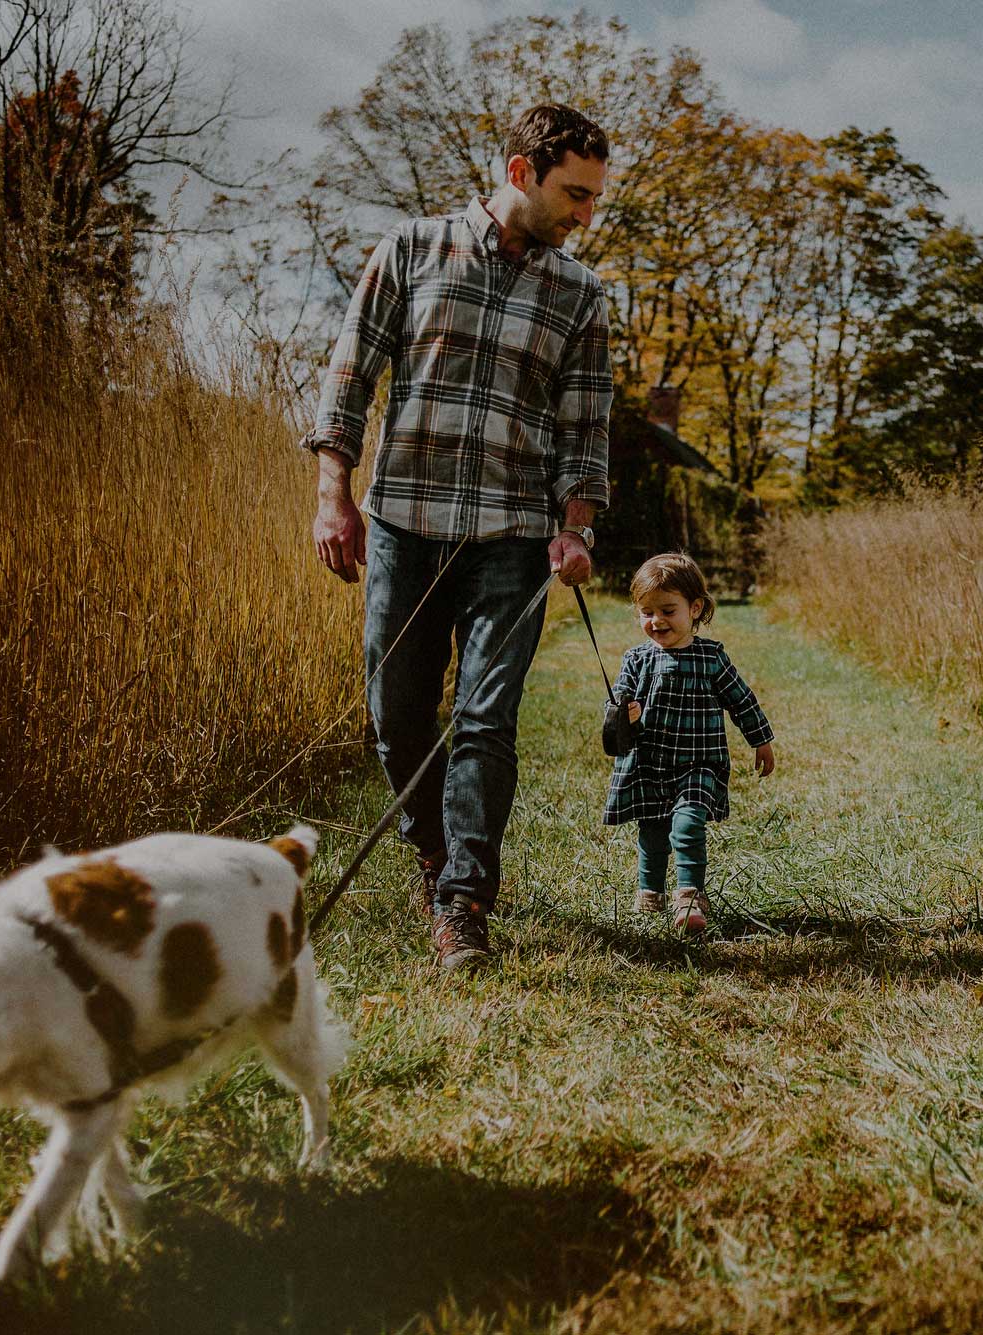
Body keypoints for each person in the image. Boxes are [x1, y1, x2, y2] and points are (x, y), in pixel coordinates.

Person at [302, 104, 614, 970]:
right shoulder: (410, 249)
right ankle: (435, 852)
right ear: (521, 171)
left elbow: (585, 428)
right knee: (396, 712)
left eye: (593, 197)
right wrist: (335, 495)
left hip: (512, 538)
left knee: (484, 718)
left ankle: (465, 901)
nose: (587, 214)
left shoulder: (582, 295)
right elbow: (349, 373)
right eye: (574, 194)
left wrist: (575, 525)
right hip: (406, 520)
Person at [603, 554, 776, 934]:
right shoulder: (636, 660)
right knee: (651, 832)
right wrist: (623, 714)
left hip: (699, 761)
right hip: (648, 760)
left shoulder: (711, 657)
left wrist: (760, 739)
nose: (657, 621)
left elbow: (740, 699)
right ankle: (650, 892)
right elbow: (614, 705)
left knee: (688, 822)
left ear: (694, 608)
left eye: (668, 610)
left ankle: (690, 895)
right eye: (646, 612)